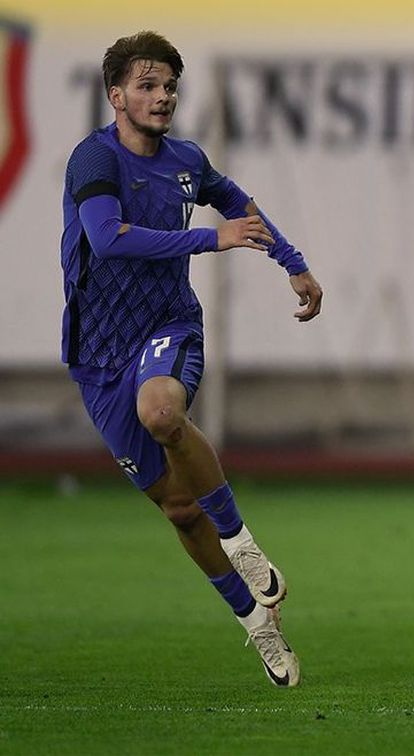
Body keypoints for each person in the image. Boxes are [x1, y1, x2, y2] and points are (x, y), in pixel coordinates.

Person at [60, 31, 323, 687]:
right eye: (147, 85)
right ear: (116, 95)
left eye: (170, 85)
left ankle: (241, 542)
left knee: (161, 412)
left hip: (169, 326)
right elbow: (107, 238)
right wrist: (210, 238)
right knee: (178, 510)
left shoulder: (186, 160)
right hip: (98, 355)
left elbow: (241, 208)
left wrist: (294, 265)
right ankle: (256, 622)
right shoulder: (93, 159)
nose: (162, 96)